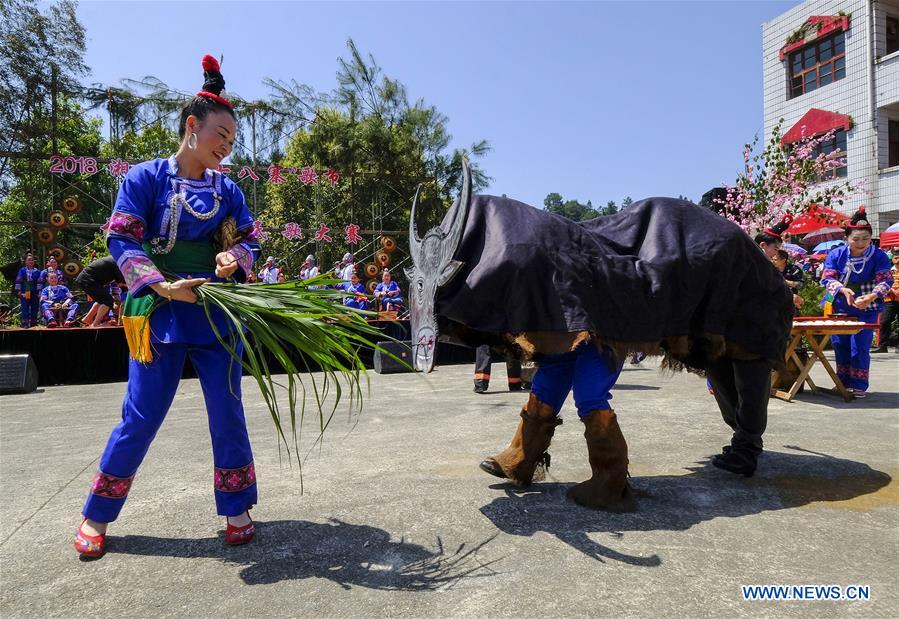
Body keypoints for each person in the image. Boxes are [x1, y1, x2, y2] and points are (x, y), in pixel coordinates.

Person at [406, 167, 792, 511]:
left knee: (592, 392)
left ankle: (611, 481)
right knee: (551, 374)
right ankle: (521, 457)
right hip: (573, 316)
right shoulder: (541, 268)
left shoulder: (560, 261)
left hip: (613, 323)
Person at [73, 54, 261, 558]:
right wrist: (159, 285)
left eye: (232, 139)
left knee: (228, 412)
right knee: (141, 415)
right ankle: (97, 513)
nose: (226, 146)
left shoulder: (230, 190)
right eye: (220, 134)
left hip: (216, 312)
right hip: (158, 315)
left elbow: (250, 241)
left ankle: (237, 507)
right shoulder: (145, 178)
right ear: (192, 126)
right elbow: (123, 238)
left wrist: (232, 258)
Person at [820, 207, 893, 398]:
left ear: (871, 238)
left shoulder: (879, 255)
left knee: (860, 345)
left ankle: (859, 384)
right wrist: (843, 289)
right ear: (847, 238)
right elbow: (827, 278)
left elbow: (886, 280)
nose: (861, 243)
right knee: (840, 344)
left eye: (866, 239)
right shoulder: (836, 255)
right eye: (856, 239)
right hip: (841, 306)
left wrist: (870, 297)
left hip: (866, 306)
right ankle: (842, 383)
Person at [76, 255, 125, 327]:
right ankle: (95, 324)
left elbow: (119, 282)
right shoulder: (117, 262)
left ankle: (87, 318)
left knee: (101, 300)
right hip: (88, 280)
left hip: (85, 280)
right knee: (108, 301)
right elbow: (123, 282)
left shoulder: (114, 259)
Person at [873, 248, 899, 353]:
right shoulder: (888, 271)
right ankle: (883, 346)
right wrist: (892, 290)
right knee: (884, 321)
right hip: (889, 299)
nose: (898, 260)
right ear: (892, 259)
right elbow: (883, 283)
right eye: (896, 258)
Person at [14, 253, 41, 328]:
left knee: (35, 307)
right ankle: (25, 325)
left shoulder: (37, 271)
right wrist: (19, 291)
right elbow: (18, 280)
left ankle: (34, 324)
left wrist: (39, 292)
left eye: (32, 260)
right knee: (25, 307)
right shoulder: (22, 270)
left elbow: (39, 282)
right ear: (25, 262)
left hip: (34, 291)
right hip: (26, 290)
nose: (31, 261)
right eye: (29, 260)